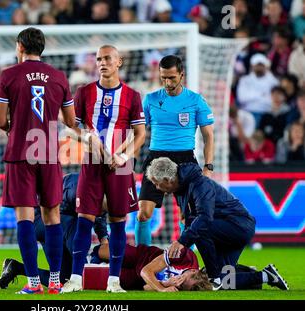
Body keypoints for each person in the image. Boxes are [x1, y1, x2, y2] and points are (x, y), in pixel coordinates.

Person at [0, 27, 77, 294]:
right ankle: (54, 282)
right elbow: (71, 121)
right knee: (52, 217)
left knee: (25, 219)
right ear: (43, 47)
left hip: (21, 153)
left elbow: (2, 121)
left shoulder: (8, 75)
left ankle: (32, 283)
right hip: (49, 153)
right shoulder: (58, 77)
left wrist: (11, 124)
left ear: (19, 46)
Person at [61, 45, 146, 294]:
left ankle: (114, 281)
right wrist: (85, 138)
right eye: (98, 59)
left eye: (107, 58)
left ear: (119, 62)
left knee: (118, 221)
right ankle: (76, 278)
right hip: (91, 164)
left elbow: (140, 134)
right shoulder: (84, 92)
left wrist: (124, 156)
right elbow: (70, 128)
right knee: (85, 219)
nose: (102, 62)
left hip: (120, 166)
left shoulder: (132, 95)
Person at [145, 157, 289, 290]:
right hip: (223, 230)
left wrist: (182, 242)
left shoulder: (199, 183)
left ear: (168, 179)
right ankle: (265, 276)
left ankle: (214, 276)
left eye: (157, 183)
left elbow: (205, 218)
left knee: (199, 228)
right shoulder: (181, 189)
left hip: (238, 226)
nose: (157, 188)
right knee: (224, 280)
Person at [135, 54, 215, 246]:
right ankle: (141, 260)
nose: (167, 82)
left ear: (181, 75)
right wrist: (130, 161)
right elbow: (137, 133)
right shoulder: (150, 99)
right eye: (163, 77)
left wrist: (208, 167)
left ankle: (184, 261)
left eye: (171, 77)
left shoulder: (196, 101)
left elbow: (208, 136)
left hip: (185, 159)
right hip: (156, 157)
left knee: (186, 216)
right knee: (143, 214)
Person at [0, 172, 109, 289]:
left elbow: (99, 218)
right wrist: (87, 260)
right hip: (41, 219)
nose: (98, 213)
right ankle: (86, 263)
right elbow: (59, 219)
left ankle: (16, 267)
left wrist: (104, 240)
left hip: (58, 227)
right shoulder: (75, 191)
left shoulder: (99, 197)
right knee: (76, 226)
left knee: (64, 279)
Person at [91, 241, 211, 292]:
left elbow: (145, 287)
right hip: (141, 257)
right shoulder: (186, 257)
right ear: (194, 270)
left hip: (137, 279)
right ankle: (95, 250)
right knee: (102, 251)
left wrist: (166, 284)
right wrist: (161, 289)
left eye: (182, 286)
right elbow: (146, 270)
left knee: (99, 277)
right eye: (183, 280)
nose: (180, 283)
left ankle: (95, 265)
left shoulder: (181, 286)